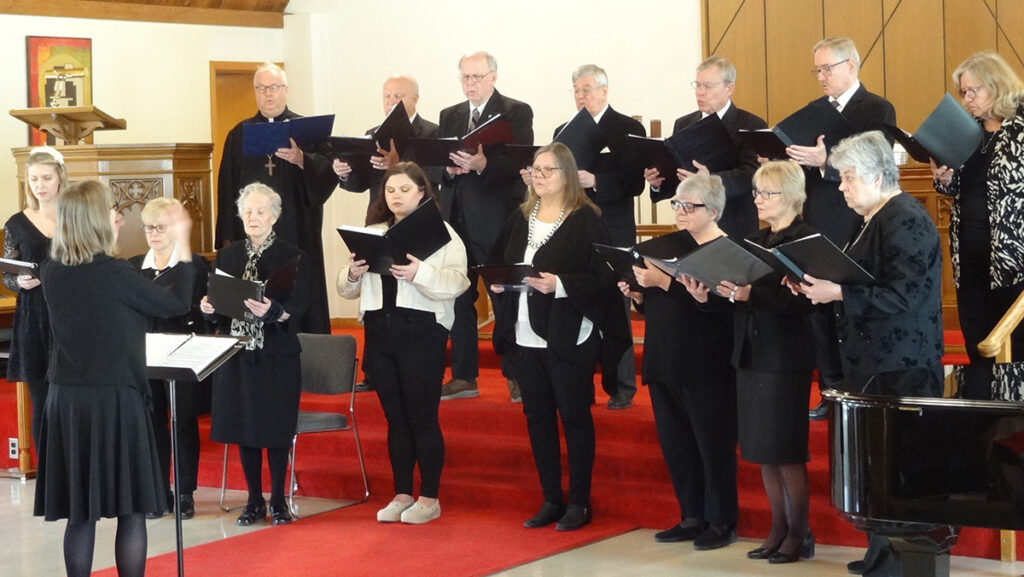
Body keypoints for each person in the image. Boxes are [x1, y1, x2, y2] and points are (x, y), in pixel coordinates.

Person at [791, 131, 942, 574]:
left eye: (848, 178)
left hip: (901, 365)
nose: (841, 187)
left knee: (893, 466)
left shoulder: (905, 219)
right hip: (875, 361)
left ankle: (896, 559)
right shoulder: (874, 217)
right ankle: (880, 552)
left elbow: (906, 297)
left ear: (877, 175)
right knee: (874, 465)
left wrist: (836, 291)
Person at [35, 180, 198, 577]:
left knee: (80, 515)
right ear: (94, 220)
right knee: (131, 511)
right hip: (115, 400)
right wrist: (185, 244)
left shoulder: (51, 272)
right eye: (111, 210)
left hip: (67, 401)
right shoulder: (116, 273)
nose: (118, 217)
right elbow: (175, 303)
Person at [491, 142, 628, 532]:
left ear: (567, 175)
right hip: (524, 331)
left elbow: (604, 276)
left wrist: (561, 285)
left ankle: (579, 503)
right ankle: (551, 497)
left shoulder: (586, 219)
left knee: (574, 417)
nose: (539, 175)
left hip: (568, 332)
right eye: (535, 169)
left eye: (548, 170)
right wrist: (499, 284)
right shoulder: (520, 217)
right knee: (538, 419)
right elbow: (502, 260)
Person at [339, 162, 469, 525]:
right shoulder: (374, 231)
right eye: (390, 190)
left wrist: (419, 273)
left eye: (404, 190)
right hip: (381, 330)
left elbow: (458, 283)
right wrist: (352, 273)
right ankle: (400, 493)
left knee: (422, 417)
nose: (396, 196)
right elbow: (346, 289)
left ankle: (429, 496)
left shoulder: (442, 232)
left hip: (422, 330)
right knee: (395, 418)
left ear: (423, 192)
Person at [618, 174, 738, 550]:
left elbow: (720, 307)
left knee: (711, 444)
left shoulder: (726, 250)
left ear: (714, 211)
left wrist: (664, 283)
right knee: (677, 444)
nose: (681, 213)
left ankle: (721, 521)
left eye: (690, 206)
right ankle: (691, 515)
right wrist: (638, 293)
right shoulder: (666, 246)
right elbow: (658, 306)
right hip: (665, 356)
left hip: (706, 362)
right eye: (678, 205)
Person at [786, 37, 897, 420]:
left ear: (851, 65)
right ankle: (829, 388)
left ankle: (857, 387)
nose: (821, 77)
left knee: (850, 304)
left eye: (827, 68)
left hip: (858, 218)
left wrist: (826, 161)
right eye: (816, 70)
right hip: (819, 216)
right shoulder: (814, 111)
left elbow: (875, 165)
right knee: (818, 307)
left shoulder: (876, 108)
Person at [714, 161, 816, 563]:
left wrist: (748, 296)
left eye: (766, 193)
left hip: (785, 355)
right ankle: (778, 527)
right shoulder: (755, 238)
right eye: (757, 192)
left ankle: (800, 532)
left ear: (790, 196)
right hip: (751, 351)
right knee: (762, 450)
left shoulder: (805, 238)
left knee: (787, 450)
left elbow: (800, 300)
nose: (757, 199)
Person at [202, 182, 311, 527]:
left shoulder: (292, 255)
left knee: (275, 428)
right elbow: (220, 305)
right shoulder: (229, 256)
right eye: (247, 211)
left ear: (274, 216)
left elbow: (300, 305)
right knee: (244, 427)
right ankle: (252, 500)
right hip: (237, 355)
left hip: (275, 354)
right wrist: (208, 308)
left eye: (260, 211)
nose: (253, 217)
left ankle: (278, 500)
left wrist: (276, 312)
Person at [438, 51, 534, 402]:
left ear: (493, 76)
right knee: (460, 297)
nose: (470, 84)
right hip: (456, 220)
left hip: (497, 220)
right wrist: (446, 171)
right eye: (464, 77)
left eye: (477, 77)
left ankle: (515, 375)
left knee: (505, 298)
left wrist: (482, 164)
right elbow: (438, 162)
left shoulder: (516, 111)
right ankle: (464, 376)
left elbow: (519, 163)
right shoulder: (450, 115)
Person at [215, 61, 335, 335]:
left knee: (300, 291)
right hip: (252, 237)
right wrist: (228, 236)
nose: (267, 94)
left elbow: (329, 174)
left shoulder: (308, 131)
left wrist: (302, 159)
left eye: (274, 87)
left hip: (297, 231)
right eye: (261, 88)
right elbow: (227, 186)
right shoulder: (239, 134)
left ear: (286, 90)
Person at [554, 64, 645, 410]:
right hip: (574, 228)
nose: (582, 96)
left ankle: (621, 385)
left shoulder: (626, 128)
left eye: (588, 89)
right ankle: (580, 382)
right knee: (576, 302)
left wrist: (596, 182)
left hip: (614, 226)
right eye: (576, 90)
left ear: (605, 91)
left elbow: (634, 182)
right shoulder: (563, 131)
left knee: (616, 307)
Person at [932, 51, 1024, 363]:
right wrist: (944, 178)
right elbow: (957, 187)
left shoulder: (1020, 128)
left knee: (1014, 342)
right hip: (969, 251)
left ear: (997, 86)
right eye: (963, 93)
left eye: (975, 90)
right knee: (976, 334)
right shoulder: (965, 130)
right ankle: (984, 406)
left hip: (1014, 255)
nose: (968, 99)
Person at [129, 197, 210, 520]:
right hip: (145, 356)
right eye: (148, 227)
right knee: (152, 425)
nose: (153, 234)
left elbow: (188, 305)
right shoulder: (136, 266)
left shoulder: (194, 264)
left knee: (182, 423)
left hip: (182, 354)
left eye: (161, 227)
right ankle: (158, 490)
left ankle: (186, 492)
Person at [645, 56, 767, 238]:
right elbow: (677, 173)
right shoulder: (683, 123)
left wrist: (709, 181)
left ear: (729, 88)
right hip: (691, 227)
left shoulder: (750, 124)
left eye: (708, 86)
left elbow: (751, 175)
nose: (700, 93)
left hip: (734, 223)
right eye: (698, 85)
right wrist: (658, 182)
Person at [3, 146, 67, 448]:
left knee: (69, 397)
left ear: (60, 179)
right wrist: (18, 281)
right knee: (41, 401)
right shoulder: (16, 223)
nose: (39, 186)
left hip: (69, 313)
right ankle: (47, 473)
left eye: (46, 178)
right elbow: (6, 275)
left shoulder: (74, 218)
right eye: (33, 180)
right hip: (33, 317)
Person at [334, 75, 441, 212]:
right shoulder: (372, 134)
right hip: (379, 216)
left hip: (418, 215)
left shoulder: (432, 132)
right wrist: (345, 173)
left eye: (397, 96)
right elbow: (360, 184)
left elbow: (435, 177)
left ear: (415, 99)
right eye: (386, 96)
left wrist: (397, 165)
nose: (391, 101)